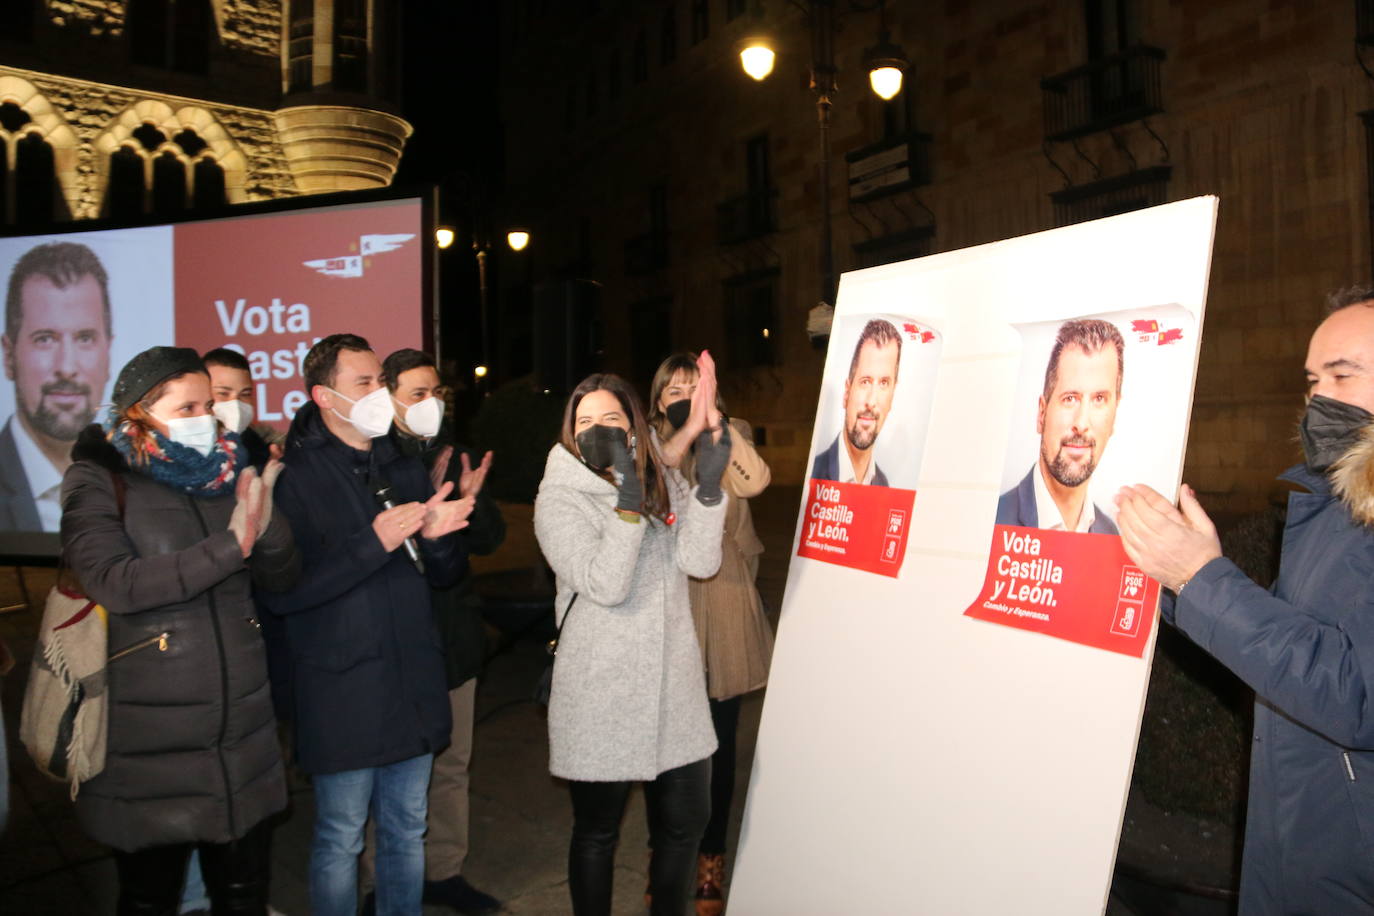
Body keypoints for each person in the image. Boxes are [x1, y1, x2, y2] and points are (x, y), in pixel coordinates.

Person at [1114, 289, 1374, 913]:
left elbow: (1354, 692)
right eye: (1313, 379)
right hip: (1293, 850)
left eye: (1343, 374)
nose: (1318, 397)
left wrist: (1201, 578)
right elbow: (1293, 644)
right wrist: (1178, 582)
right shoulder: (1334, 505)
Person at [59, 345, 297, 914]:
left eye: (207, 406)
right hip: (148, 744)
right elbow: (114, 582)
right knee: (150, 899)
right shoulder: (97, 480)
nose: (205, 418)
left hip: (241, 733)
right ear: (139, 412)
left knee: (243, 895)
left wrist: (264, 518)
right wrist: (228, 545)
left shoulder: (230, 468)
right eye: (187, 406)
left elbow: (283, 578)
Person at [256, 333, 473, 916]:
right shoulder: (294, 479)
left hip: (412, 679)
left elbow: (441, 577)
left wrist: (442, 539)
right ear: (325, 397)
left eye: (381, 380)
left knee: (407, 829)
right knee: (341, 836)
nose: (380, 392)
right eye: (366, 383)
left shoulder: (402, 465)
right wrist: (371, 543)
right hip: (342, 689)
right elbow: (284, 594)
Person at [534, 370, 730, 916]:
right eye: (586, 422)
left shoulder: (664, 480)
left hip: (674, 686)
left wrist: (709, 491)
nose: (598, 430)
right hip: (602, 690)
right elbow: (606, 584)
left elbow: (700, 562)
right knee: (597, 832)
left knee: (685, 823)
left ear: (636, 429)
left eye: (612, 419)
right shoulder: (559, 498)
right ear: (570, 434)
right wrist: (626, 503)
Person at [354, 347, 504, 915]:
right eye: (418, 394)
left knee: (451, 764)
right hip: (391, 639)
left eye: (436, 393)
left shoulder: (455, 452)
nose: (431, 404)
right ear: (385, 396)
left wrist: (473, 500)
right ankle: (379, 882)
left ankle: (444, 872)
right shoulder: (368, 455)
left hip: (454, 636)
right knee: (386, 769)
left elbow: (486, 541)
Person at [648, 352, 774, 916]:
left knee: (719, 742)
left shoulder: (732, 432)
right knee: (663, 744)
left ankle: (710, 858)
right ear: (656, 400)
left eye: (692, 387)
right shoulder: (647, 442)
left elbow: (755, 483)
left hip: (721, 593)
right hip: (666, 597)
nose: (682, 397)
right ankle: (662, 858)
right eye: (672, 389)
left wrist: (714, 424)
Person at [2, 241, 114, 531]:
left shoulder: (134, 478)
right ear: (9, 354)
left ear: (108, 352)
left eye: (85, 338)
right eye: (45, 339)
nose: (66, 366)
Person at [997, 318, 1123, 534]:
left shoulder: (1110, 534)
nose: (1081, 423)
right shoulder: (993, 520)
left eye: (1099, 399)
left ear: (1114, 416)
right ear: (1042, 414)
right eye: (1070, 399)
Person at [810, 319, 901, 487]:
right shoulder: (813, 475)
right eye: (865, 381)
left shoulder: (884, 485)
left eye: (883, 383)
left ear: (892, 396)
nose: (871, 401)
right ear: (847, 392)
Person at [203, 346, 285, 468]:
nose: (235, 403)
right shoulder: (181, 451)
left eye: (245, 394)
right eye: (223, 393)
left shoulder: (267, 450)